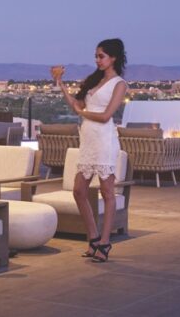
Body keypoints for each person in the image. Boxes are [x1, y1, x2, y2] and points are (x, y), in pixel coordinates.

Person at [51, 38, 129, 263]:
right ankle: (93, 237)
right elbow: (76, 105)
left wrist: (82, 114)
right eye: (96, 56)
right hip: (87, 139)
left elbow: (106, 116)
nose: (97, 60)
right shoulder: (93, 81)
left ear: (113, 57)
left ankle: (104, 243)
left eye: (101, 56)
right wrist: (60, 82)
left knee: (107, 191)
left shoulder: (119, 84)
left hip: (105, 140)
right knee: (78, 191)